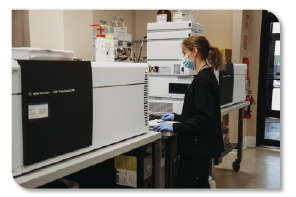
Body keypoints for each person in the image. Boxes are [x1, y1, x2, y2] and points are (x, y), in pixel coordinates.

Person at [153, 35, 225, 188]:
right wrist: (177, 117)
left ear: (195, 51)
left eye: (184, 52)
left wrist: (174, 127)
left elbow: (203, 118)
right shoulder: (205, 76)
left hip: (196, 150)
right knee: (201, 185)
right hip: (200, 148)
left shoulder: (203, 80)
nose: (183, 57)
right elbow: (198, 112)